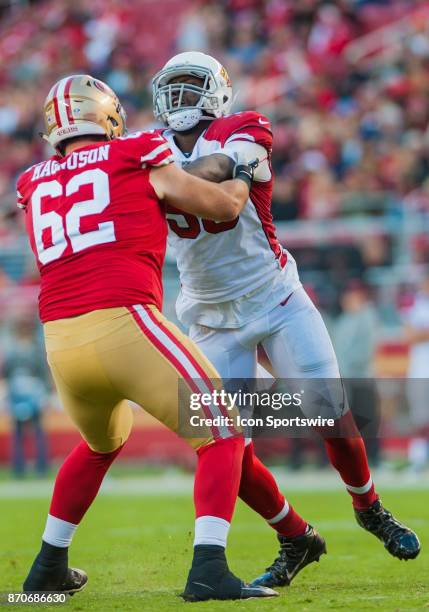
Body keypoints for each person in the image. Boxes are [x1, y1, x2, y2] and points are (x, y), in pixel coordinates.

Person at [151, 51, 420, 586]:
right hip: (207, 314)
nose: (180, 98)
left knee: (331, 413)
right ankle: (295, 537)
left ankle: (369, 507)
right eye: (172, 87)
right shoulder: (147, 148)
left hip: (275, 296)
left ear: (218, 91)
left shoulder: (241, 127)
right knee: (225, 445)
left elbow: (222, 169)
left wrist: (157, 179)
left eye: (191, 86)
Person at [16, 74, 278, 601]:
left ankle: (47, 569)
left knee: (99, 444)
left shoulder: (31, 180)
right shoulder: (134, 150)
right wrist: (243, 176)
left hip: (61, 343)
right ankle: (209, 569)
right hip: (123, 320)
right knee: (224, 432)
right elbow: (222, 208)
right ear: (107, 115)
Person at [3, 316, 49, 477]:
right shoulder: (12, 351)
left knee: (37, 432)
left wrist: (43, 395)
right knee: (18, 434)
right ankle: (18, 468)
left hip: (34, 395)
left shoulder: (35, 351)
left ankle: (41, 467)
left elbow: (43, 374)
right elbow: (7, 374)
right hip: (17, 395)